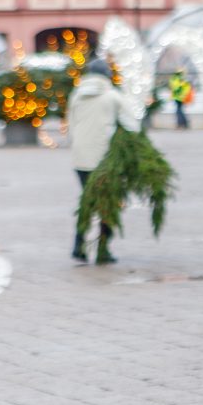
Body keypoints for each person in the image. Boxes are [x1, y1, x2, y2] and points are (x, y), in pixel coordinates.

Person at [69, 57, 140, 264]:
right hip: (105, 160)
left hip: (80, 159)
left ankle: (78, 245)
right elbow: (131, 125)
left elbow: (71, 126)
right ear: (106, 76)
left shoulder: (76, 96)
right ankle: (102, 249)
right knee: (109, 204)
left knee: (88, 201)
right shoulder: (112, 97)